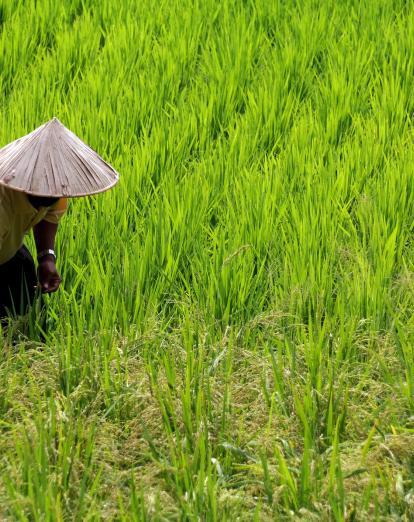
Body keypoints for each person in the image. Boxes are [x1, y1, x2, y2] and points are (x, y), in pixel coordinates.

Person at [0, 117, 119, 321]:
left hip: (9, 249)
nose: (55, 192)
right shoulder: (2, 205)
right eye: (47, 188)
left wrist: (47, 257)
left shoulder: (54, 189)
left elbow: (51, 215)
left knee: (28, 309)